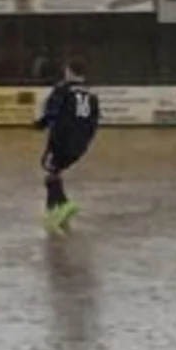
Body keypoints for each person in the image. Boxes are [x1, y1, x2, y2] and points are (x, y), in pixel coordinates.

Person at [35, 55, 100, 232]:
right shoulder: (91, 94)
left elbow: (52, 112)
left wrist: (39, 125)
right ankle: (52, 212)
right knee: (53, 173)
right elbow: (94, 122)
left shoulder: (62, 89)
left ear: (69, 71)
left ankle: (64, 204)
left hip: (62, 140)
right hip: (81, 144)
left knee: (50, 171)